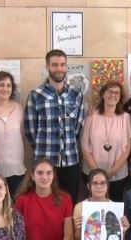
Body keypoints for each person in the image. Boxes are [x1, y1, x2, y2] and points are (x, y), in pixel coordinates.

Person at [24, 50, 85, 203]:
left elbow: (78, 128)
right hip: (44, 163)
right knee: (45, 205)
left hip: (70, 161)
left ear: (67, 67)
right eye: (55, 65)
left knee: (69, 205)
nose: (59, 69)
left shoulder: (77, 94)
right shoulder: (36, 95)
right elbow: (30, 131)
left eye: (63, 65)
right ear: (47, 66)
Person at [80, 81, 131, 202]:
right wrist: (97, 172)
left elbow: (127, 148)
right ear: (103, 94)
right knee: (94, 207)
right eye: (110, 91)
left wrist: (113, 171)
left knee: (115, 207)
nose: (113, 95)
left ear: (120, 97)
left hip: (117, 175)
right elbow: (84, 146)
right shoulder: (91, 116)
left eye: (116, 93)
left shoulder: (125, 118)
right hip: (92, 174)